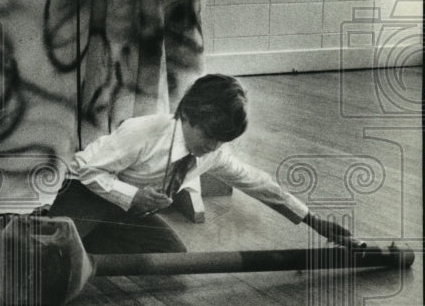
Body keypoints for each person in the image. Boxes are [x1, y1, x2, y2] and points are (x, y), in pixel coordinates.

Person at [50, 74, 353, 254]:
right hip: (84, 191)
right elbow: (84, 169)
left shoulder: (213, 153)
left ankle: (80, 236)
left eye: (222, 140)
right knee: (48, 260)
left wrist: (314, 221)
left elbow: (260, 184)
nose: (213, 146)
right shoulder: (145, 130)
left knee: (173, 255)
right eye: (209, 135)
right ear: (187, 115)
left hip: (123, 210)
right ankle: (46, 228)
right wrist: (132, 195)